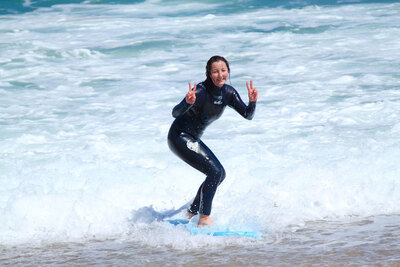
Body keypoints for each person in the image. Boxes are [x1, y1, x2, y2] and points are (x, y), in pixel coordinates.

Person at [167, 55, 258, 227]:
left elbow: (248, 115)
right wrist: (187, 103)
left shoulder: (228, 93)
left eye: (223, 71)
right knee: (215, 173)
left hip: (193, 138)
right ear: (209, 74)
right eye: (215, 72)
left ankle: (191, 212)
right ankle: (203, 219)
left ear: (228, 72)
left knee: (219, 174)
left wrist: (252, 102)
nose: (220, 75)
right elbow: (175, 113)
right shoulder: (200, 91)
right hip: (179, 136)